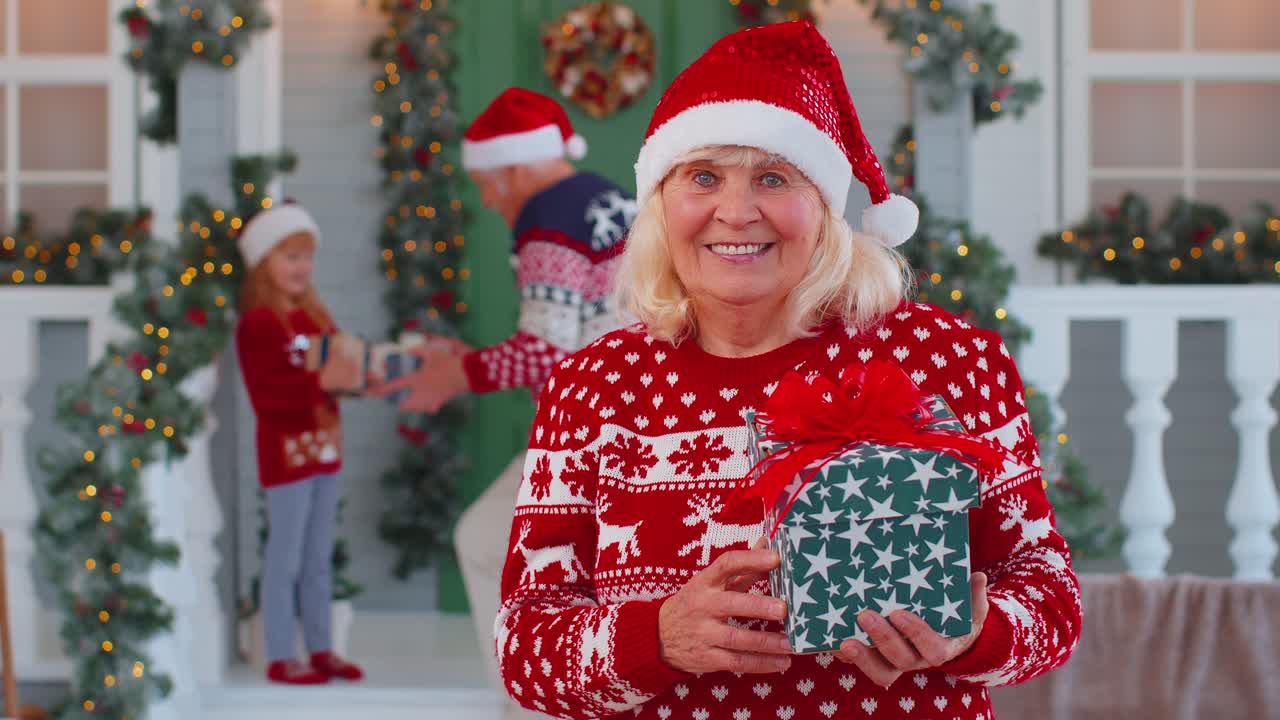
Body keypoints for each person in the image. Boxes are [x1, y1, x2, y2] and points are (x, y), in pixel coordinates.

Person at [494, 21, 1082, 720]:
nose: (736, 212)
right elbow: (524, 645)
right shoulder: (593, 387)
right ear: (660, 203)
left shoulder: (947, 361)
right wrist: (657, 638)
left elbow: (1052, 598)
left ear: (826, 208)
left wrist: (977, 635)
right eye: (703, 177)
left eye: (773, 177)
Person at [373, 88, 636, 698]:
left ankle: (533, 700)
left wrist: (454, 376)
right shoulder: (605, 199)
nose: (489, 203)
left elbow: (548, 350)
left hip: (589, 439)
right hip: (630, 428)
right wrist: (467, 361)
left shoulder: (548, 216)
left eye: (488, 185)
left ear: (516, 167)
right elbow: (580, 329)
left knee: (488, 545)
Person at [235, 204, 365, 685]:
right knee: (284, 558)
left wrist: (357, 374)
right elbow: (267, 397)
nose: (301, 267)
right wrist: (322, 383)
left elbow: (337, 372)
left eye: (306, 257)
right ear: (264, 261)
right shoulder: (258, 325)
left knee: (318, 557)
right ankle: (278, 655)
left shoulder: (315, 317)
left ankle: (320, 648)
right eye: (289, 256)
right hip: (285, 459)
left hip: (325, 452)